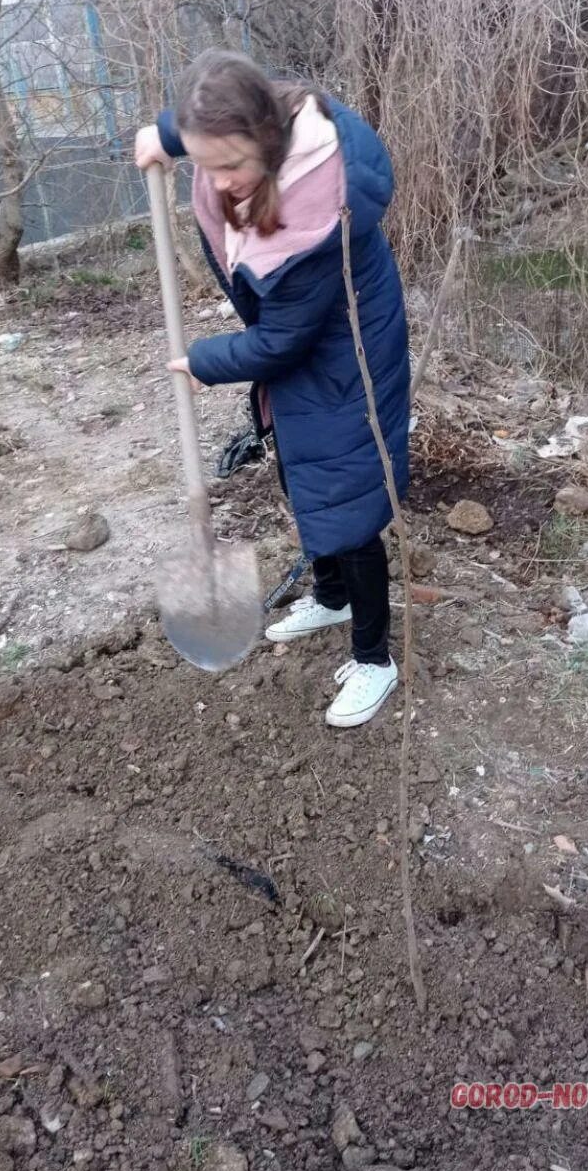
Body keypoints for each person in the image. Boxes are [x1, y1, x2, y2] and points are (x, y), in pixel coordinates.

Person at [134, 49, 409, 728]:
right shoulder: (242, 127)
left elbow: (282, 339)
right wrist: (162, 138)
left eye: (230, 165)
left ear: (267, 140)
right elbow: (202, 121)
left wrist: (204, 359)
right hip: (301, 341)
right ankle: (330, 593)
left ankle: (375, 658)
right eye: (204, 163)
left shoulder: (316, 214)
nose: (218, 181)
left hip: (348, 347)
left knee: (350, 505)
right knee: (298, 470)